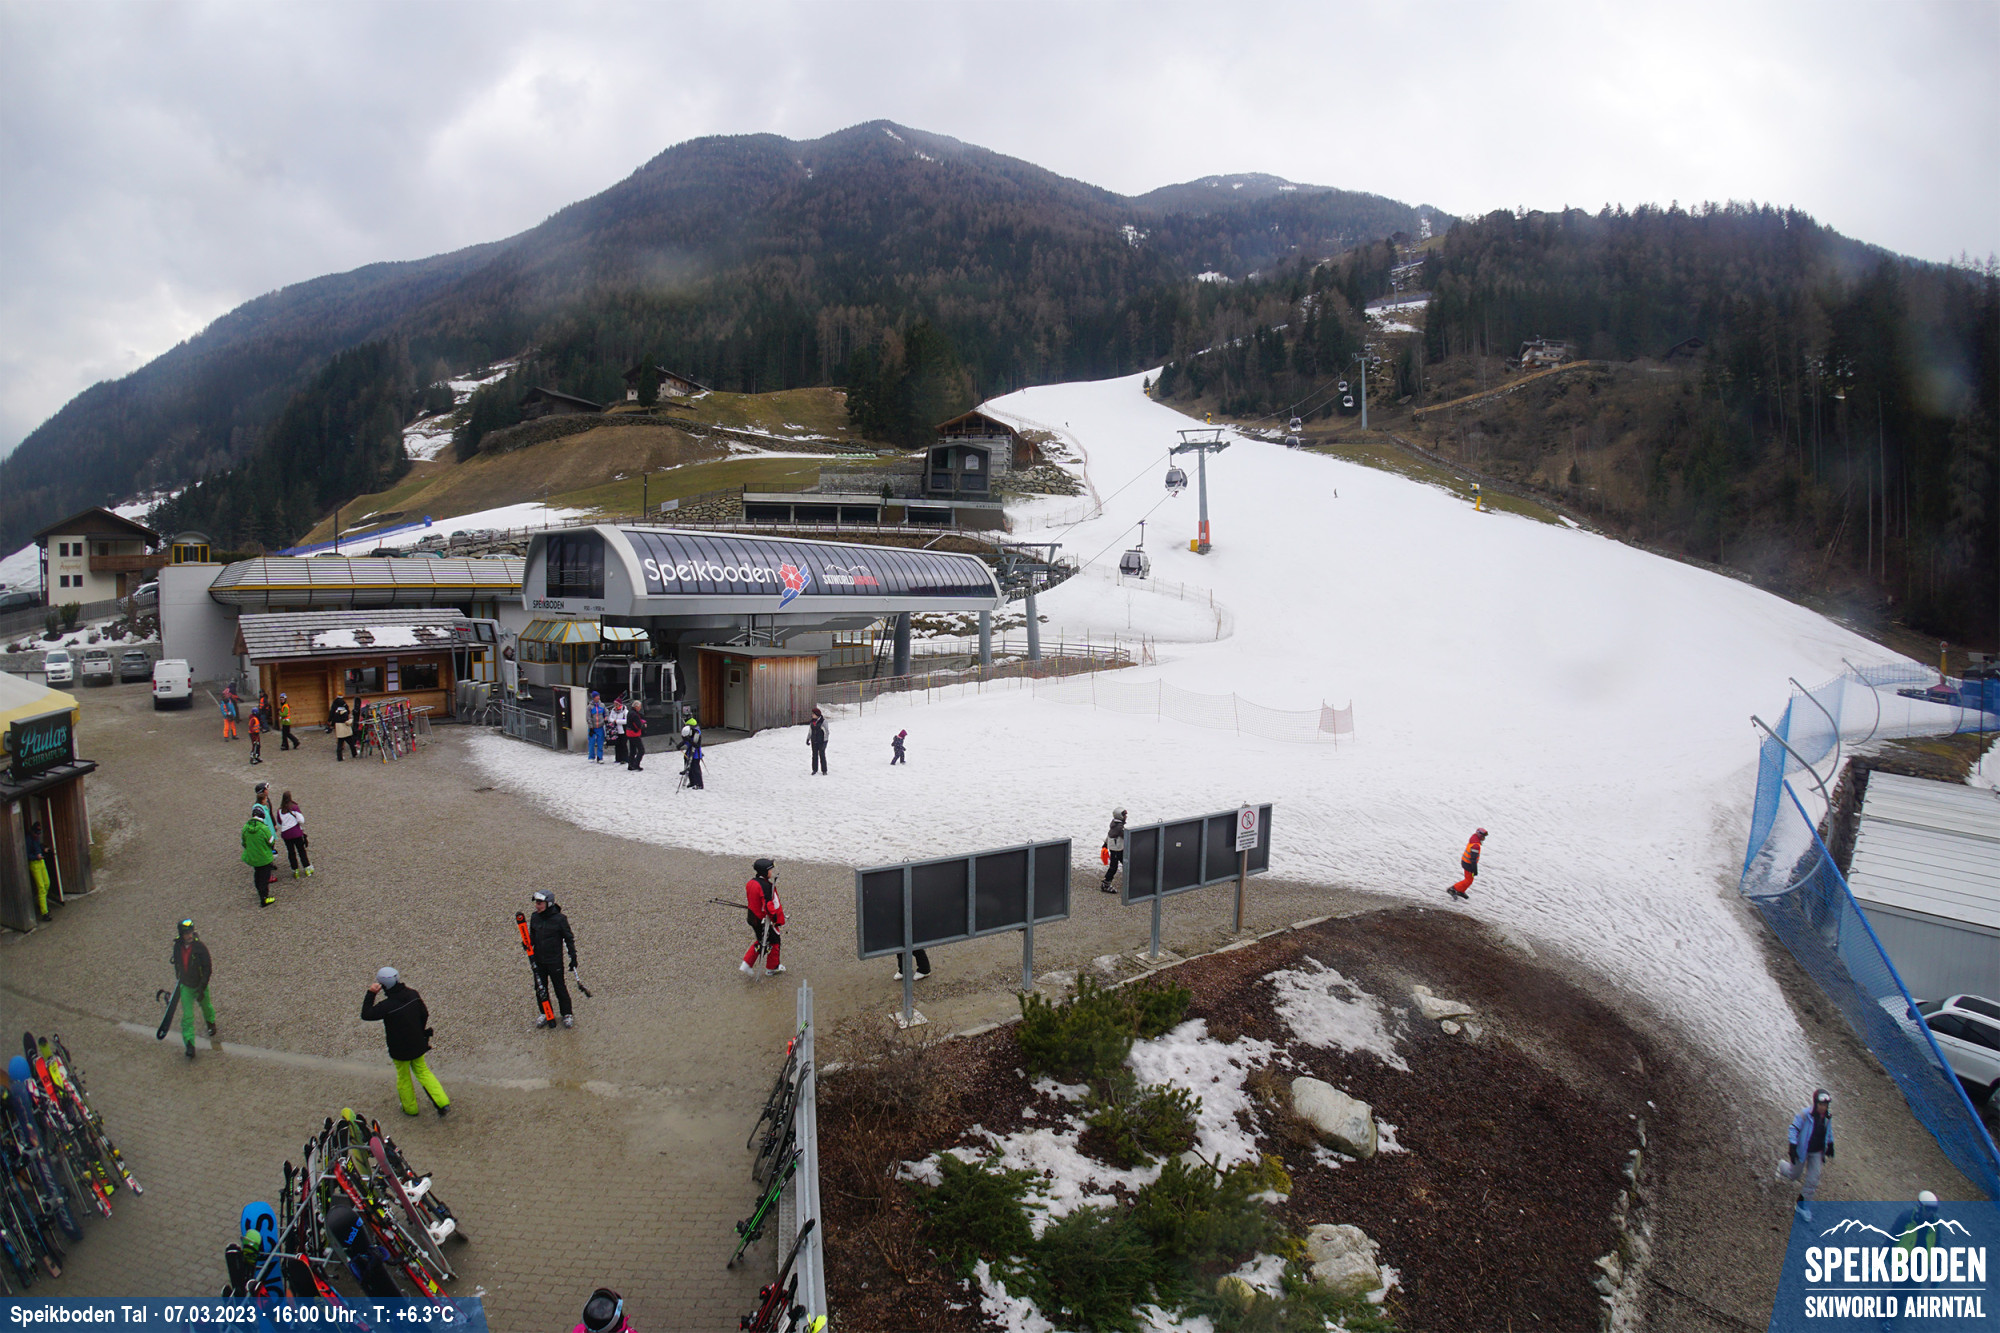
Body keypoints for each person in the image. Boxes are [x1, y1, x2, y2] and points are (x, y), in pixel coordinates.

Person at [361, 966, 449, 1118]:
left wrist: (371, 994)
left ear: (382, 985)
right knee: (423, 1071)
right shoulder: (413, 994)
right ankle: (442, 1102)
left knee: (403, 1077)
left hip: (399, 1048)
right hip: (417, 1042)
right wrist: (419, 1031)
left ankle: (410, 1109)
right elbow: (424, 1014)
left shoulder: (386, 1006)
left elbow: (366, 1014)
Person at [1776, 1088, 1834, 1221]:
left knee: (1814, 1178)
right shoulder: (1804, 1114)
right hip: (1802, 1150)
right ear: (1815, 1103)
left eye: (1825, 1105)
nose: (1823, 1107)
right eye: (1821, 1104)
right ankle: (1782, 1166)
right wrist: (1793, 1145)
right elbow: (1793, 1128)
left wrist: (1830, 1144)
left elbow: (1829, 1131)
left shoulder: (1827, 1118)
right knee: (1793, 1175)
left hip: (1817, 1152)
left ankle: (1802, 1205)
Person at [528, 890, 579, 1028]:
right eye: (536, 903)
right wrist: (528, 943)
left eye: (540, 903)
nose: (537, 906)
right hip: (538, 960)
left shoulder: (560, 919)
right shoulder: (534, 917)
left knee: (559, 987)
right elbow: (532, 936)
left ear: (548, 903)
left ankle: (567, 1013)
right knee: (540, 988)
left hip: (554, 961)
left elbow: (568, 939)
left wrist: (573, 957)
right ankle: (545, 1012)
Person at [170, 918, 217, 1060]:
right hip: (186, 986)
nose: (189, 935)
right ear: (181, 934)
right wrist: (179, 977)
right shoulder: (177, 947)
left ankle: (210, 1022)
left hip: (199, 984)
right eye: (186, 933)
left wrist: (202, 987)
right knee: (187, 1017)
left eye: (190, 932)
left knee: (206, 1006)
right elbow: (177, 964)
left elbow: (207, 968)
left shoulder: (200, 947)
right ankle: (189, 1044)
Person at [740, 858, 785, 977]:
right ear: (765, 872)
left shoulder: (751, 882)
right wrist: (776, 919)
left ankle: (747, 963)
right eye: (770, 870)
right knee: (774, 942)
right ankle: (772, 968)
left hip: (752, 917)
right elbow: (768, 906)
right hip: (763, 920)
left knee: (761, 940)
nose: (772, 872)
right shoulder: (766, 886)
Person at [242, 803, 279, 906]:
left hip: (253, 857)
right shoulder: (263, 828)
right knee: (264, 877)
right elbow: (271, 841)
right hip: (263, 857)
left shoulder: (246, 828)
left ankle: (259, 891)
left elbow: (244, 842)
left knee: (257, 874)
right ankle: (264, 898)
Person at [277, 791, 313, 878]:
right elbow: (301, 820)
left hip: (286, 834)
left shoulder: (280, 810)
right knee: (301, 850)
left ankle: (295, 870)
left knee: (291, 852)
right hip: (296, 833)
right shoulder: (294, 808)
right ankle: (307, 867)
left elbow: (279, 822)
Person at [1447, 828, 1487, 899]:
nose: (1484, 838)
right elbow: (1473, 859)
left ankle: (1461, 891)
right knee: (1468, 880)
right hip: (1469, 865)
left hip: (1465, 862)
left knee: (1469, 880)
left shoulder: (1473, 840)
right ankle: (1453, 889)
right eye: (1483, 836)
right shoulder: (1476, 846)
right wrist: (1474, 870)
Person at [25, 821, 51, 922]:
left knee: (47, 883)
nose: (38, 835)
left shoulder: (36, 838)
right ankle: (45, 912)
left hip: (41, 862)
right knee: (41, 887)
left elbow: (38, 846)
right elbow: (27, 854)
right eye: (37, 833)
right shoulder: (28, 839)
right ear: (33, 832)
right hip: (34, 863)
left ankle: (42, 903)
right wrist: (36, 856)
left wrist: (43, 849)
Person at [1101, 807, 1127, 894]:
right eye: (1124, 815)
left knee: (1126, 864)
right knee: (1114, 867)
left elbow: (1109, 834)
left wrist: (1105, 843)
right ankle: (1106, 884)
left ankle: (1129, 880)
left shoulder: (1115, 824)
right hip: (1116, 849)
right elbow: (1126, 836)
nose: (1126, 816)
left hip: (1117, 848)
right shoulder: (1119, 827)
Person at [329, 696, 355, 762]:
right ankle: (354, 753)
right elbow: (346, 721)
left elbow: (333, 720)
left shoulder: (336, 712)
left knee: (339, 745)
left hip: (339, 731)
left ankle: (339, 757)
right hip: (345, 730)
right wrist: (352, 720)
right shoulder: (344, 712)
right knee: (351, 743)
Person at [624, 701, 647, 772]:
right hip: (634, 734)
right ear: (636, 706)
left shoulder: (630, 712)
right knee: (641, 750)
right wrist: (644, 725)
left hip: (629, 733)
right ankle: (636, 764)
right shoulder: (634, 714)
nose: (640, 708)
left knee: (632, 750)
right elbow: (638, 725)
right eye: (640, 706)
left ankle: (630, 765)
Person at [807, 707, 830, 775]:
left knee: (822, 755)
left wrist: (825, 741)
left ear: (817, 714)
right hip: (814, 741)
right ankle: (814, 769)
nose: (812, 715)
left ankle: (824, 770)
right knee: (814, 755)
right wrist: (808, 738)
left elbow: (826, 732)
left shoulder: (823, 721)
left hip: (821, 741)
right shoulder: (812, 722)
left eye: (813, 714)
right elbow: (810, 731)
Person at [586, 691, 607, 764]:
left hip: (600, 727)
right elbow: (588, 717)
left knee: (600, 743)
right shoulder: (589, 707)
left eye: (598, 696)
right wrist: (591, 727)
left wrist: (606, 718)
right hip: (592, 727)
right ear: (594, 697)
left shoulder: (602, 705)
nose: (598, 697)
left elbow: (606, 713)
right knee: (591, 743)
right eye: (597, 696)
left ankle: (600, 757)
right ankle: (591, 757)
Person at [607, 696, 629, 767]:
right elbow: (610, 718)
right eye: (614, 704)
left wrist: (617, 721)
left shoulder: (625, 711)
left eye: (616, 704)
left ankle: (625, 758)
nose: (615, 706)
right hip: (615, 731)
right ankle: (618, 758)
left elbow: (626, 721)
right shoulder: (613, 710)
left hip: (623, 730)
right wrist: (614, 721)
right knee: (617, 744)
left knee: (623, 744)